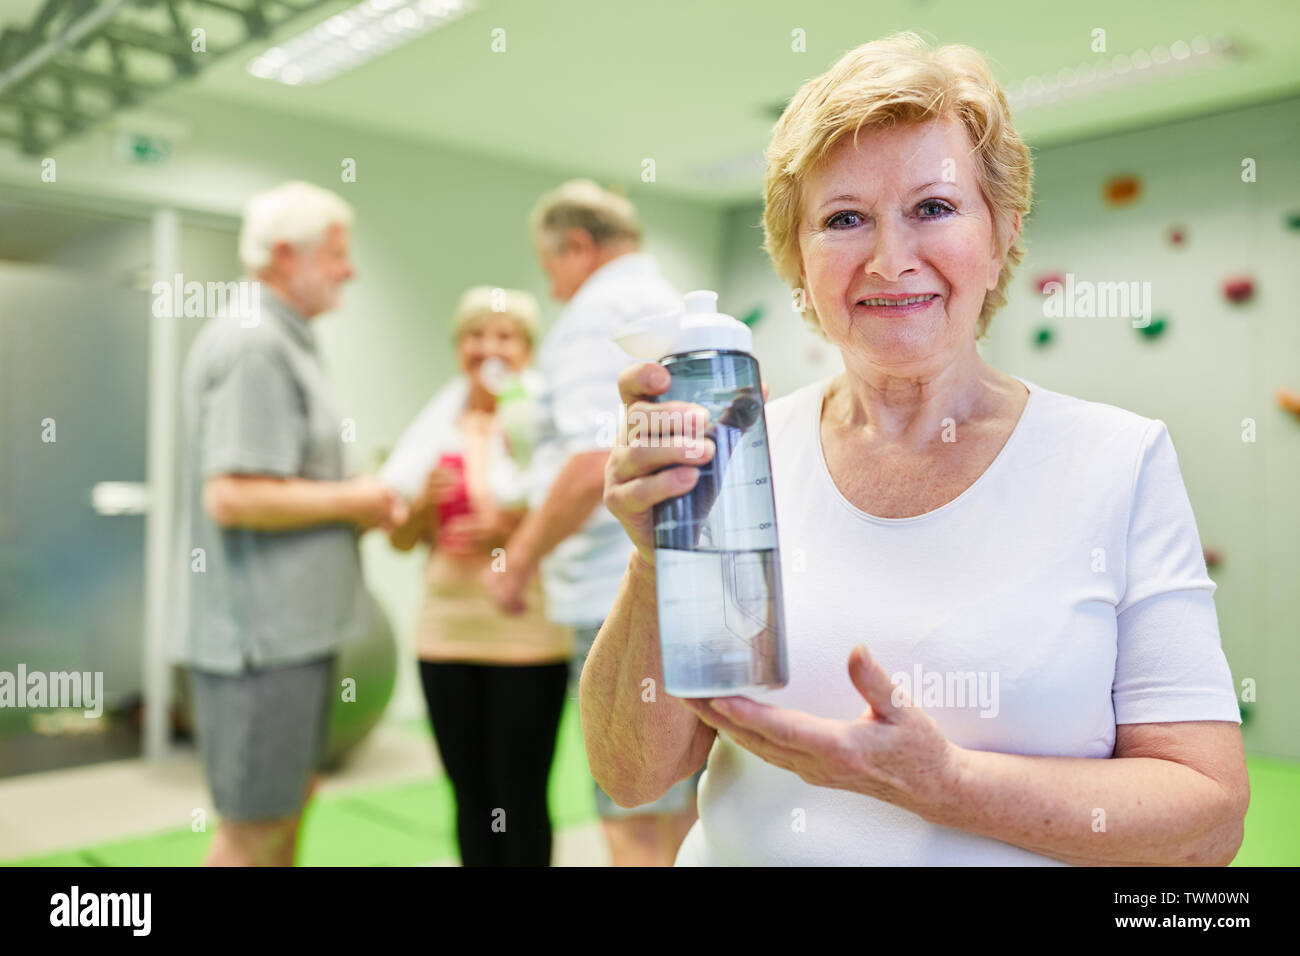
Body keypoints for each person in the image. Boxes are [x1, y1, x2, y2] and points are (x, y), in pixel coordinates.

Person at [588, 32, 1250, 866]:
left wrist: (945, 785)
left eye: (933, 208)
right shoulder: (735, 451)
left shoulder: (1118, 462)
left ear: (1003, 232)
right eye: (843, 219)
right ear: (798, 258)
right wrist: (656, 563)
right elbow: (634, 774)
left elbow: (1209, 821)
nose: (890, 259)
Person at [175, 181, 405, 866]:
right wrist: (357, 498)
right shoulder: (254, 344)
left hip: (294, 636)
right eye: (337, 254)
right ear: (284, 254)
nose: (350, 269)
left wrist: (357, 503)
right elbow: (235, 497)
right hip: (259, 644)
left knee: (288, 805)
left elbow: (283, 485)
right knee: (254, 830)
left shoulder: (287, 338)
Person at [483, 180, 700, 865]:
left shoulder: (595, 313)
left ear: (578, 246)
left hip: (618, 588)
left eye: (550, 266)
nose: (551, 285)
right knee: (682, 801)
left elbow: (585, 464)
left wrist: (515, 561)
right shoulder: (668, 301)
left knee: (631, 807)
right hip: (684, 582)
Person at [381, 286, 574, 867]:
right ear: (458, 346)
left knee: (519, 795)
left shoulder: (544, 421)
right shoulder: (434, 427)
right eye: (475, 335)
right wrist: (419, 510)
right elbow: (400, 540)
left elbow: (574, 515)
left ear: (527, 349)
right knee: (468, 794)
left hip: (526, 628)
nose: (488, 346)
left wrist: (510, 531)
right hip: (445, 629)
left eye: (504, 336)